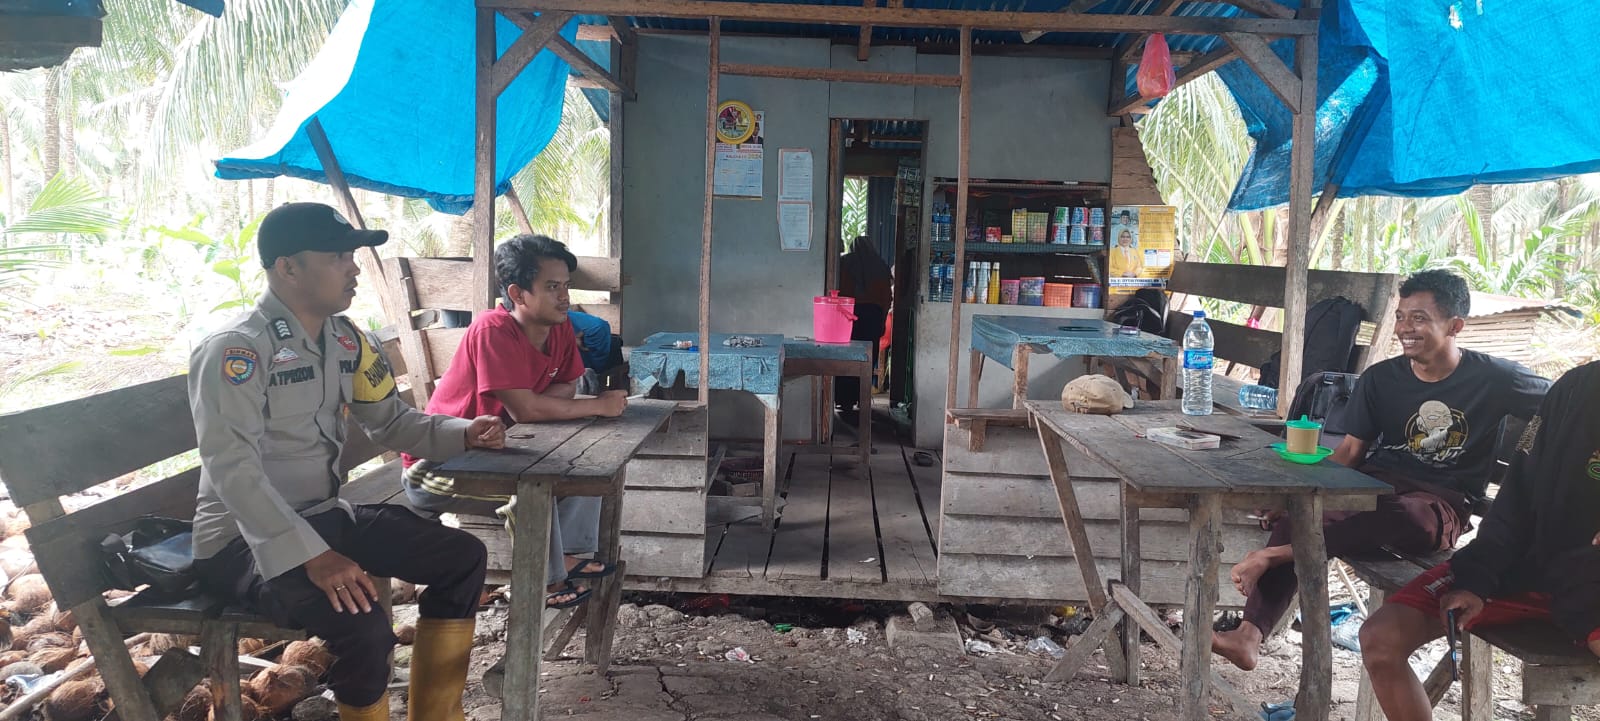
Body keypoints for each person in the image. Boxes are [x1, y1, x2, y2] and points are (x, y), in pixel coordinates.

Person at [189, 202, 506, 721]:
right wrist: (311, 554)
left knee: (462, 557)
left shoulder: (345, 340)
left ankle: (437, 715)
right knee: (365, 628)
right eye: (338, 256)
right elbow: (231, 468)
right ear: (287, 267)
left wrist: (464, 432)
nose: (354, 268)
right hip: (242, 541)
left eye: (352, 255)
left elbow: (391, 421)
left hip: (323, 518)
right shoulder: (237, 351)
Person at [1211, 269, 1549, 672]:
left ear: (1455, 325)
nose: (1406, 328)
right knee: (1305, 510)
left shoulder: (1495, 378)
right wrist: (1298, 496)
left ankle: (1274, 554)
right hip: (1375, 484)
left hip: (1441, 502)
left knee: (1408, 517)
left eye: (1419, 318)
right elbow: (1351, 452)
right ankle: (1247, 637)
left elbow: (1570, 401)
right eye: (1402, 316)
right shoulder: (1381, 379)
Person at [1359, 360, 1600, 721]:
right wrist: (1476, 579)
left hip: (1590, 587)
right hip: (1531, 567)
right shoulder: (1577, 387)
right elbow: (1516, 496)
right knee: (1381, 639)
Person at [402, 235, 629, 611]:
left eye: (566, 286)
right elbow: (525, 410)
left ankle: (570, 553)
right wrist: (597, 406)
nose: (564, 297)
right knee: (527, 494)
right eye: (552, 287)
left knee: (586, 465)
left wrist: (541, 407)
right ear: (518, 293)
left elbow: (566, 385)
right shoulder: (493, 330)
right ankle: (543, 581)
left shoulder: (558, 328)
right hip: (438, 464)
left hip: (501, 454)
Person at [836, 234, 892, 414]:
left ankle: (844, 400)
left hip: (849, 316)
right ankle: (863, 399)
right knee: (868, 359)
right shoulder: (880, 266)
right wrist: (882, 319)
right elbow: (886, 299)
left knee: (846, 358)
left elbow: (839, 292)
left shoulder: (845, 264)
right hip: (872, 318)